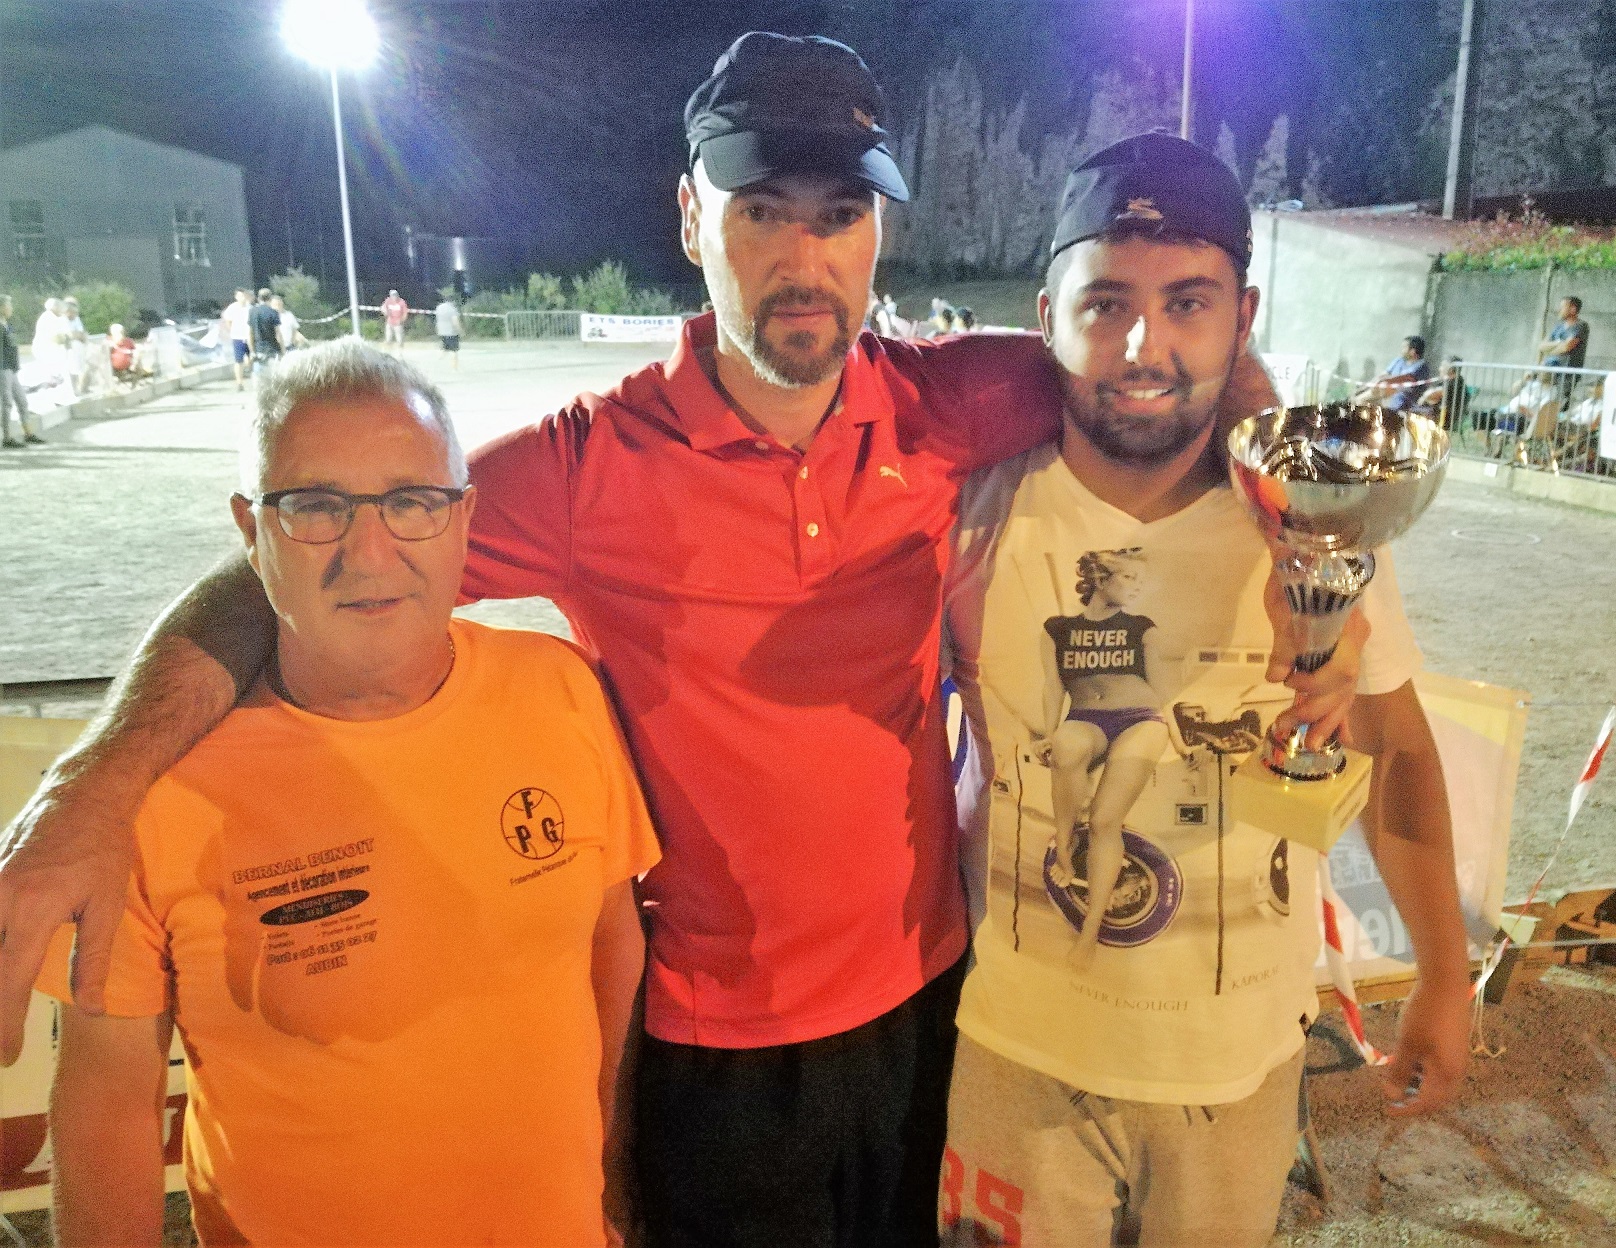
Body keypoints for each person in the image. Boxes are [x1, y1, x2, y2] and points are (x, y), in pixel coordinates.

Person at [0, 33, 1350, 1248]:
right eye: (763, 211)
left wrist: (1280, 470)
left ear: (877, 235)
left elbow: (1175, 353)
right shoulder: (594, 467)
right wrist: (87, 790)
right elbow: (309, 557)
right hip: (716, 1051)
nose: (803, 256)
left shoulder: (957, 399)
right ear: (694, 217)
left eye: (838, 217)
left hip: (940, 1001)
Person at [939, 133, 1471, 1247]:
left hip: (1236, 1073)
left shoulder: (1315, 528)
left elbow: (1400, 762)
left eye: (1187, 303)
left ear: (1243, 313)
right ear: (1045, 316)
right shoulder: (969, 516)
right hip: (1013, 1057)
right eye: (1105, 306)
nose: (1144, 346)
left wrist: (1441, 972)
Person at [36, 339, 658, 1247]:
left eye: (411, 503)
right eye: (317, 509)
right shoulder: (153, 791)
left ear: (463, 519)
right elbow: (107, 1117)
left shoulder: (558, 689)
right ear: (251, 531)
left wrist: (608, 1179)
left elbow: (612, 946)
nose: (370, 554)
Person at [1038, 547, 1169, 972]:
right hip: (1085, 718)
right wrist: (1047, 730)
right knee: (1067, 746)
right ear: (1099, 578)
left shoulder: (1141, 628)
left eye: (1139, 581)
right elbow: (1053, 687)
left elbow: (1164, 691)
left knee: (1104, 821)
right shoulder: (1057, 629)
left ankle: (1090, 932)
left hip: (1139, 720)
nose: (1135, 587)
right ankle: (1064, 843)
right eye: (1128, 577)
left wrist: (1183, 740)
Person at [1, 294, 47, 446]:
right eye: (8, 305)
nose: (11, 308)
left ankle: (28, 433)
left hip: (10, 368)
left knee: (22, 401)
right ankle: (7, 437)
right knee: (7, 402)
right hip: (3, 368)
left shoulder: (7, 324)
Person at [1537, 295, 1588, 401]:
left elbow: (1567, 347)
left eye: (1563, 307)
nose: (1559, 310)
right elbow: (1542, 346)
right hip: (1549, 370)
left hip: (1567, 374)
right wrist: (1559, 343)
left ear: (1573, 309)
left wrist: (1551, 350)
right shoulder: (1559, 326)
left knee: (1558, 403)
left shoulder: (1580, 326)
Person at [1359, 335, 1431, 411]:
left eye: (1404, 347)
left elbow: (1408, 377)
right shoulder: (1398, 361)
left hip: (1406, 403)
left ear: (1413, 351)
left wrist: (1385, 380)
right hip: (1385, 398)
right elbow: (1383, 375)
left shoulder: (1422, 366)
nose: (1401, 350)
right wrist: (1366, 387)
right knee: (1358, 400)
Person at [221, 289, 253, 391]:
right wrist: (232, 331)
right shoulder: (232, 308)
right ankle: (239, 383)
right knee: (238, 361)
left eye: (244, 295)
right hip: (237, 337)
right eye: (240, 296)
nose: (242, 298)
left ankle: (253, 378)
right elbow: (228, 321)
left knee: (252, 359)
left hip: (250, 337)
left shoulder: (250, 308)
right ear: (236, 297)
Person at [248, 287, 284, 369]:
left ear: (258, 298)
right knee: (274, 373)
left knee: (259, 374)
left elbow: (250, 333)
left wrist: (252, 351)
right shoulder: (273, 312)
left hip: (258, 348)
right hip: (272, 348)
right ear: (270, 298)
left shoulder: (252, 312)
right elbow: (278, 333)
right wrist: (283, 350)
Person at [434, 294, 463, 370]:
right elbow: (455, 321)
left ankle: (435, 362)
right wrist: (460, 330)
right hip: (451, 332)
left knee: (445, 348)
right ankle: (454, 368)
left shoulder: (439, 308)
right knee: (454, 351)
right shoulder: (452, 309)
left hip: (442, 331)